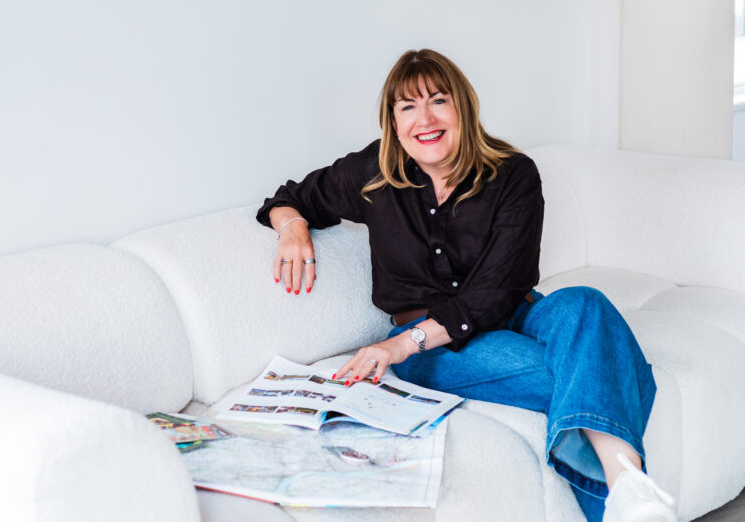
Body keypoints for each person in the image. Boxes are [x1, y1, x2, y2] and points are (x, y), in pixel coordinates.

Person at [257, 49, 677, 522]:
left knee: (585, 303)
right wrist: (292, 227)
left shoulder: (512, 174)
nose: (425, 118)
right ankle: (633, 494)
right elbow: (290, 197)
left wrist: (396, 347)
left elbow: (498, 291)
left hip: (510, 311)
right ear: (393, 122)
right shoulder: (373, 173)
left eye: (438, 100)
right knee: (604, 367)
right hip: (435, 352)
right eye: (408, 106)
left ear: (463, 108)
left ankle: (629, 491)